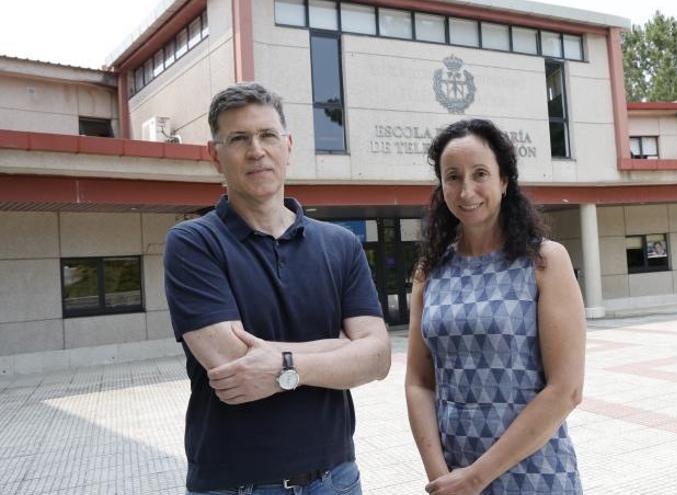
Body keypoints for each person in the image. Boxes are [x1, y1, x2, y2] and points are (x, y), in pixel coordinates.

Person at [163, 82, 390, 494]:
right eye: (238, 138)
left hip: (337, 478)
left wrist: (284, 366)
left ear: (287, 145)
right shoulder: (193, 243)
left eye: (267, 135)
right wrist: (340, 348)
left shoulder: (340, 245)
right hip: (237, 484)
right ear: (216, 156)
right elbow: (232, 365)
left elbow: (376, 358)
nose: (256, 150)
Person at [405, 118, 586, 494]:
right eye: (452, 176)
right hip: (454, 479)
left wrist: (474, 478)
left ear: (504, 182)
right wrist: (443, 478)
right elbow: (419, 383)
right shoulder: (429, 273)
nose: (466, 190)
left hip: (537, 477)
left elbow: (566, 389)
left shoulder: (545, 262)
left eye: (480, 174)